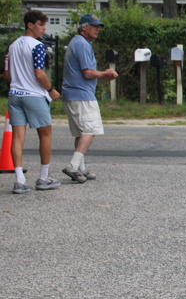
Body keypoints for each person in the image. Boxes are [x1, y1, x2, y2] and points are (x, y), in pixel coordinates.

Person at [3, 10, 61, 194]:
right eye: (40, 25)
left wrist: (18, 80)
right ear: (30, 25)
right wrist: (51, 90)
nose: (44, 29)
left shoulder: (12, 46)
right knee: (45, 134)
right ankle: (43, 177)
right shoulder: (37, 46)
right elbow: (39, 73)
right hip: (34, 95)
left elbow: (7, 74)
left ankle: (19, 180)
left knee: (17, 137)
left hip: (15, 94)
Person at [61, 14, 119, 183]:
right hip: (81, 94)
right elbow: (87, 73)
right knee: (91, 129)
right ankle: (73, 166)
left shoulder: (76, 42)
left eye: (98, 26)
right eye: (94, 26)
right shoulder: (82, 44)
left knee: (81, 133)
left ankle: (81, 169)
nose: (97, 29)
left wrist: (101, 74)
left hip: (71, 93)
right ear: (83, 27)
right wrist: (105, 74)